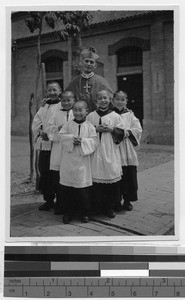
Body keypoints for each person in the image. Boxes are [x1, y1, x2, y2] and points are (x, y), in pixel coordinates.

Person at [87, 89, 126, 218]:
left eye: (106, 98)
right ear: (96, 101)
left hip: (110, 151)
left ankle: (109, 207)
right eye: (100, 98)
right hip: (96, 152)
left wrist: (112, 129)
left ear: (110, 100)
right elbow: (85, 131)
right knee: (96, 179)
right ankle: (96, 207)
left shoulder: (115, 116)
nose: (103, 100)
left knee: (110, 177)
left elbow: (122, 132)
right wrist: (95, 128)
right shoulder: (91, 116)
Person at [59, 100, 98, 224]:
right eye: (75, 110)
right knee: (68, 188)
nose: (78, 112)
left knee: (82, 190)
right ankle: (68, 212)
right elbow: (61, 137)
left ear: (86, 111)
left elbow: (94, 141)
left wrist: (82, 142)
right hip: (68, 160)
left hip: (82, 162)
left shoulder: (90, 126)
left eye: (81, 110)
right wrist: (71, 140)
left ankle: (84, 212)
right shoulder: (68, 125)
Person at [32, 81, 61, 211]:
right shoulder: (44, 106)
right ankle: (48, 199)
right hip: (45, 145)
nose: (52, 93)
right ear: (46, 92)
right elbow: (36, 122)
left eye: (55, 90)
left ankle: (61, 200)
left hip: (57, 144)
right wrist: (40, 133)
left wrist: (51, 134)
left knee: (57, 172)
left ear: (60, 91)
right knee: (45, 171)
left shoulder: (63, 105)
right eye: (50, 90)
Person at [112, 90, 142, 211]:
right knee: (116, 175)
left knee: (129, 175)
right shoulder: (110, 114)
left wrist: (128, 132)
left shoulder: (130, 114)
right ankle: (116, 201)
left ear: (126, 101)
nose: (120, 102)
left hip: (127, 148)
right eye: (117, 99)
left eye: (122, 99)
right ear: (113, 100)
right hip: (115, 148)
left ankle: (127, 200)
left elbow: (138, 129)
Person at [47, 91, 75, 215]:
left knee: (72, 175)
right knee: (58, 178)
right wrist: (59, 127)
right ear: (60, 101)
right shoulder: (56, 113)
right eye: (64, 100)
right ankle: (60, 204)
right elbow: (49, 130)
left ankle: (74, 204)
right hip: (59, 149)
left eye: (69, 100)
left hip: (72, 150)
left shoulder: (77, 112)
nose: (66, 103)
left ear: (74, 100)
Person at [65, 46, 113, 112]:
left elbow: (111, 100)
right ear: (82, 63)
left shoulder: (101, 81)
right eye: (86, 61)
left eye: (91, 62)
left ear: (95, 66)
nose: (88, 64)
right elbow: (65, 99)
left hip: (98, 115)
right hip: (80, 117)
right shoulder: (74, 82)